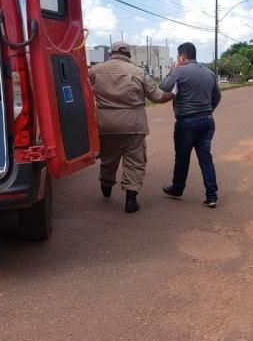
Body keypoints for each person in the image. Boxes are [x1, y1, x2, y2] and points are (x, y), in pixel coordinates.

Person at [89, 42, 174, 214]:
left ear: (111, 53)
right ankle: (130, 201)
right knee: (135, 162)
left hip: (105, 124)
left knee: (108, 158)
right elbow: (157, 97)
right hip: (133, 125)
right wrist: (173, 93)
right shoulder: (138, 72)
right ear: (128, 55)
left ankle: (106, 189)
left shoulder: (94, 71)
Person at [159, 42, 221, 208]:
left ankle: (177, 189)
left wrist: (173, 71)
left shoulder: (179, 71)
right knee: (205, 158)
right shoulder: (209, 73)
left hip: (186, 122)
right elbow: (217, 96)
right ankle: (211, 195)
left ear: (182, 56)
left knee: (182, 157)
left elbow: (163, 87)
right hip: (207, 120)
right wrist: (208, 110)